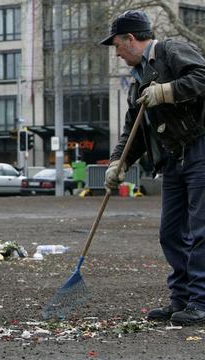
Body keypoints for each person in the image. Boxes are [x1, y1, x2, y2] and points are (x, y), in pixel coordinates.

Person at [101, 10, 205, 325]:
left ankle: (201, 302)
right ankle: (182, 300)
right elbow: (134, 131)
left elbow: (202, 77)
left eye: (118, 45)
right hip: (173, 158)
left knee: (201, 230)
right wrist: (119, 162)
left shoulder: (170, 51)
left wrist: (167, 91)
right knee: (171, 232)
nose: (117, 54)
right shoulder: (137, 83)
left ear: (132, 39)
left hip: (199, 148)